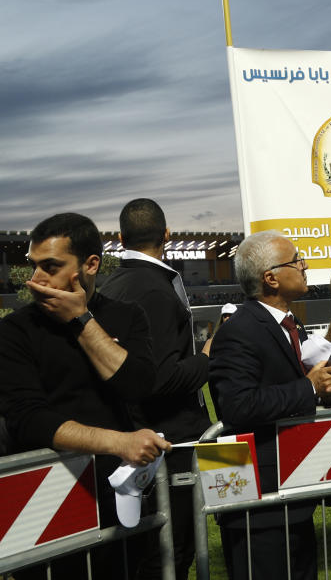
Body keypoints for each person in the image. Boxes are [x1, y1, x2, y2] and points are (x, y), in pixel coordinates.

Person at [0, 213, 169, 579]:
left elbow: (138, 384)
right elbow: (29, 418)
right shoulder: (14, 330)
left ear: (91, 264)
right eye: (33, 266)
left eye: (51, 266)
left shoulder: (126, 315)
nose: (36, 279)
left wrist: (82, 319)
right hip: (43, 507)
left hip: (118, 499)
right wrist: (117, 442)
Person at [209, 230, 331, 580]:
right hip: (253, 501)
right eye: (296, 260)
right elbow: (237, 407)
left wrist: (323, 392)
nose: (305, 265)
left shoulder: (287, 324)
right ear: (270, 277)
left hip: (290, 489)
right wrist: (308, 387)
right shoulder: (238, 330)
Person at [100, 198, 212, 580]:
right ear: (167, 234)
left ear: (120, 238)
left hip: (135, 441)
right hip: (169, 446)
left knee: (149, 550)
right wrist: (207, 359)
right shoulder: (155, 290)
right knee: (171, 552)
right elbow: (159, 378)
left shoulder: (114, 283)